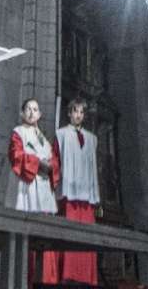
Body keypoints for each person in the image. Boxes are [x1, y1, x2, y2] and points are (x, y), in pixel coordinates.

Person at [9, 98, 59, 284]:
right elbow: (16, 156)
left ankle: (45, 280)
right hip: (28, 189)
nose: (31, 112)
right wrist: (38, 163)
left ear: (39, 115)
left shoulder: (44, 140)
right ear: (22, 113)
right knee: (28, 235)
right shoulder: (18, 133)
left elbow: (54, 162)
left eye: (35, 109)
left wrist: (51, 166)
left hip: (43, 192)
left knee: (45, 237)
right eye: (28, 109)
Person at [56, 98, 101, 285]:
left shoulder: (92, 138)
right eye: (75, 111)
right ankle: (69, 275)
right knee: (71, 234)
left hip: (87, 195)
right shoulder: (61, 134)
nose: (78, 115)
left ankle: (86, 277)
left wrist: (95, 195)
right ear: (69, 113)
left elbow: (93, 168)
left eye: (81, 112)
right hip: (70, 192)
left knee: (87, 237)